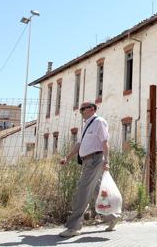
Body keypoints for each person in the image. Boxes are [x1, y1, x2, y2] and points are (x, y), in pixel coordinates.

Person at [58, 102, 120, 238]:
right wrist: (67, 158)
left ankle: (74, 227)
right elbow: (78, 145)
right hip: (87, 162)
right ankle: (112, 216)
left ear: (92, 109)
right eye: (80, 110)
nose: (81, 112)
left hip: (95, 160)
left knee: (82, 191)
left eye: (83, 110)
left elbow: (105, 142)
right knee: (95, 191)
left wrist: (106, 160)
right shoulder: (86, 125)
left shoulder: (99, 122)